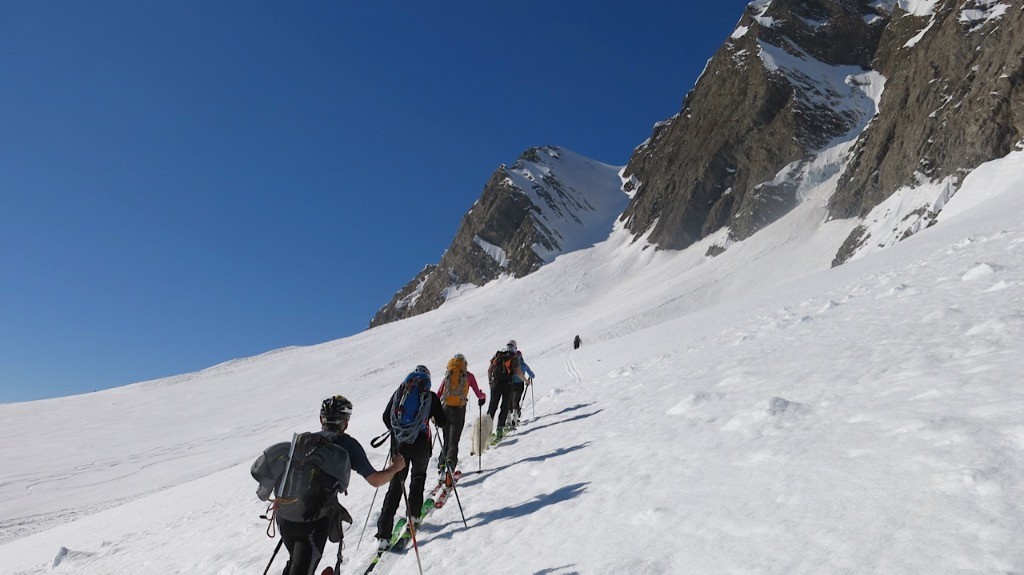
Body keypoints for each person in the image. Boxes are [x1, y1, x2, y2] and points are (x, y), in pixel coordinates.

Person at [276, 396, 407, 575]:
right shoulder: (347, 444)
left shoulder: (306, 440)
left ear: (321, 419)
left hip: (285, 516)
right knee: (304, 565)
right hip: (315, 518)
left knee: (296, 562)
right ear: (345, 422)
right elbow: (375, 480)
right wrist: (396, 467)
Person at [375, 366, 449, 551]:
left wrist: (401, 432)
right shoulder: (430, 396)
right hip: (421, 445)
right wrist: (428, 418)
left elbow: (386, 418)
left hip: (400, 446)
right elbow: (442, 422)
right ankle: (413, 516)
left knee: (395, 487)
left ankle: (384, 534)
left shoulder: (400, 393)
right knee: (418, 478)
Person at [436, 353, 486, 473]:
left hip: (445, 409)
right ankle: (450, 464)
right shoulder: (469, 376)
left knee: (446, 440)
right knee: (454, 441)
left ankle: (442, 465)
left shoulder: (448, 375)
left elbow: (438, 394)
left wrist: (435, 412)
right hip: (459, 411)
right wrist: (482, 396)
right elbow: (478, 394)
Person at [487, 340, 529, 440]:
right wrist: (526, 380)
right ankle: (499, 430)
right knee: (504, 407)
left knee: (492, 407)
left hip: (496, 383)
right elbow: (518, 372)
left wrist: (490, 382)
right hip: (508, 384)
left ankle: (487, 431)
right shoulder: (514, 357)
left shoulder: (498, 355)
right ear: (515, 347)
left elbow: (489, 370)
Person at [508, 349, 535, 430]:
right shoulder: (524, 365)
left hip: (510, 384)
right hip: (520, 384)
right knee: (516, 400)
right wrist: (528, 378)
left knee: (509, 400)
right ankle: (515, 417)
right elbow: (532, 375)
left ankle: (508, 417)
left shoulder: (511, 364)